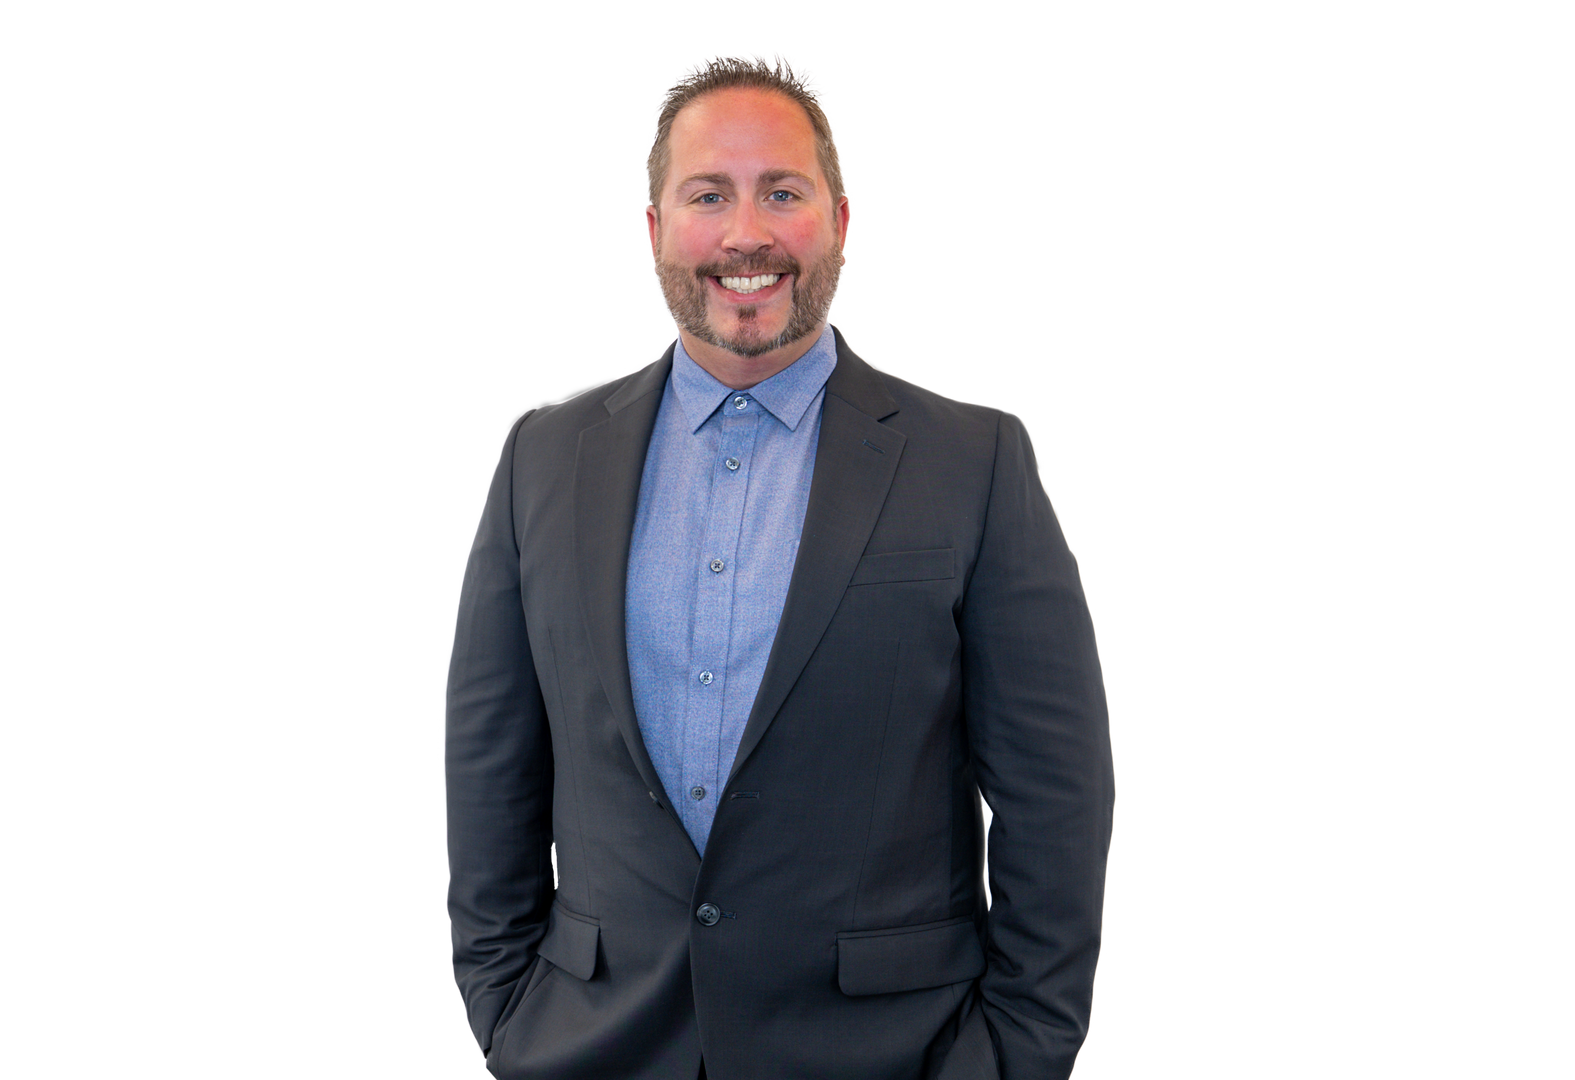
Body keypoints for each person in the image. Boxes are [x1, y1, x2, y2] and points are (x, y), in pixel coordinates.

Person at [441, 48, 1117, 1080]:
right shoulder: (544, 451)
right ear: (652, 228)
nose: (746, 234)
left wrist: (1016, 1056)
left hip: (892, 1055)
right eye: (708, 194)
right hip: (594, 1048)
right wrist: (504, 1007)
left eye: (783, 192)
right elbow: (489, 759)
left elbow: (1055, 793)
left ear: (843, 220)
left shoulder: (972, 459)